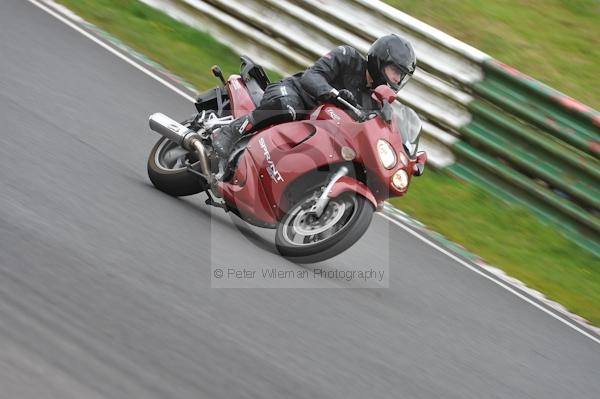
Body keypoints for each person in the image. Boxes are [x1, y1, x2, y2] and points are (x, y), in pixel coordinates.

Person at [211, 34, 416, 172]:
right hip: (295, 95)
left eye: (401, 76)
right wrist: (331, 93)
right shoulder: (347, 57)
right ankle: (230, 132)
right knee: (288, 109)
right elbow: (312, 76)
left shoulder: (376, 101)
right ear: (381, 60)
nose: (397, 80)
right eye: (396, 72)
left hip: (317, 129)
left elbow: (385, 129)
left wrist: (406, 151)